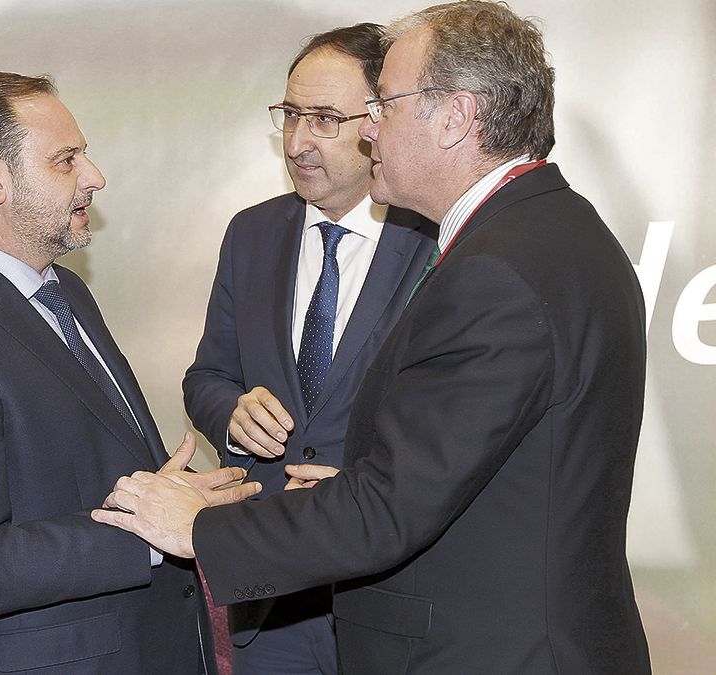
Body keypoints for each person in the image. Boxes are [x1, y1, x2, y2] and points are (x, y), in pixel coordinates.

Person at [94, 2, 652, 672]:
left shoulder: (496, 270)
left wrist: (194, 523)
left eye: (384, 103)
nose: (370, 131)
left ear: (456, 117)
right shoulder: (555, 229)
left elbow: (391, 508)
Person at [0, 72, 258, 673]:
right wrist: (150, 531)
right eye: (65, 160)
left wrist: (174, 505)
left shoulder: (64, 290)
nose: (94, 176)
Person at [182, 23, 436, 674]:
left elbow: (447, 418)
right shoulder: (252, 234)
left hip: (384, 588)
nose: (298, 142)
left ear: (379, 121)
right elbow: (206, 376)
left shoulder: (432, 242)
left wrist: (366, 473)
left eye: (324, 119)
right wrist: (231, 411)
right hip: (271, 599)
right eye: (291, 115)